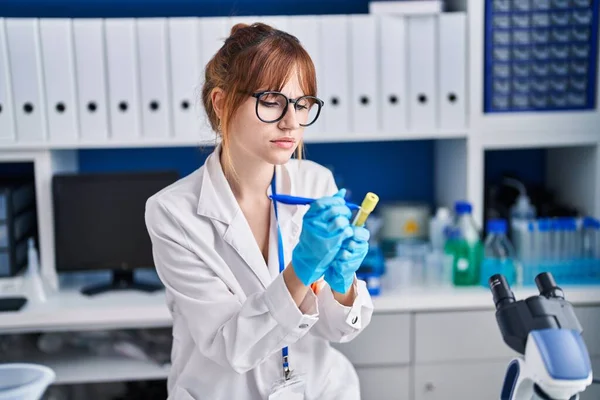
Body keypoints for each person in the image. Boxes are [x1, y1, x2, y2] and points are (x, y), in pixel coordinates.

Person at [144, 22, 374, 400]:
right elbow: (231, 346)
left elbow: (338, 331)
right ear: (221, 103)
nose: (291, 121)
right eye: (271, 100)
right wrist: (300, 272)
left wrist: (343, 283)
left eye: (302, 105)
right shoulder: (172, 213)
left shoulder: (316, 183)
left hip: (319, 390)